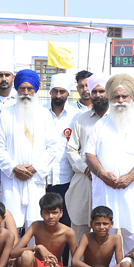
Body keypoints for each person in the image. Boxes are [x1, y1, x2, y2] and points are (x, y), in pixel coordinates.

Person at [84, 73, 134, 249]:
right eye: (116, 97)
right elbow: (89, 154)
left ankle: (132, 266)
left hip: (131, 189)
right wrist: (102, 174)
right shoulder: (100, 125)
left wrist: (130, 177)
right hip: (104, 188)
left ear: (132, 98)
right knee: (104, 234)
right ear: (111, 98)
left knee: (133, 234)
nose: (121, 100)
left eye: (125, 96)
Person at [0, 69, 59, 229]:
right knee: (10, 225)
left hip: (35, 178)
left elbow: (52, 146)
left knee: (36, 225)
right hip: (12, 180)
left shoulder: (44, 114)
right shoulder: (6, 113)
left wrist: (35, 168)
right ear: (17, 89)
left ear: (35, 90)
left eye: (30, 88)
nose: (25, 92)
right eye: (22, 88)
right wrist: (14, 167)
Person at [14, 192, 77, 267]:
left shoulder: (68, 232)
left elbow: (76, 263)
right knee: (27, 255)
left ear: (61, 213)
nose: (50, 216)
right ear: (41, 213)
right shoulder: (36, 226)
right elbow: (14, 252)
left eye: (54, 212)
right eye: (47, 212)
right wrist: (37, 248)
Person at [66, 75, 108, 236]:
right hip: (85, 179)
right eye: (94, 92)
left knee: (106, 229)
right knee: (79, 228)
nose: (97, 95)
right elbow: (72, 149)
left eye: (101, 91)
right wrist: (86, 169)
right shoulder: (82, 119)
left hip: (109, 181)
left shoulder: (117, 119)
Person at [45, 72, 80, 224]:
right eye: (55, 91)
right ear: (50, 92)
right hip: (43, 176)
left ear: (68, 93)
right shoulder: (40, 112)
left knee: (65, 220)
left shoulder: (76, 115)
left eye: (62, 91)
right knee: (43, 220)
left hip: (67, 177)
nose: (58, 95)